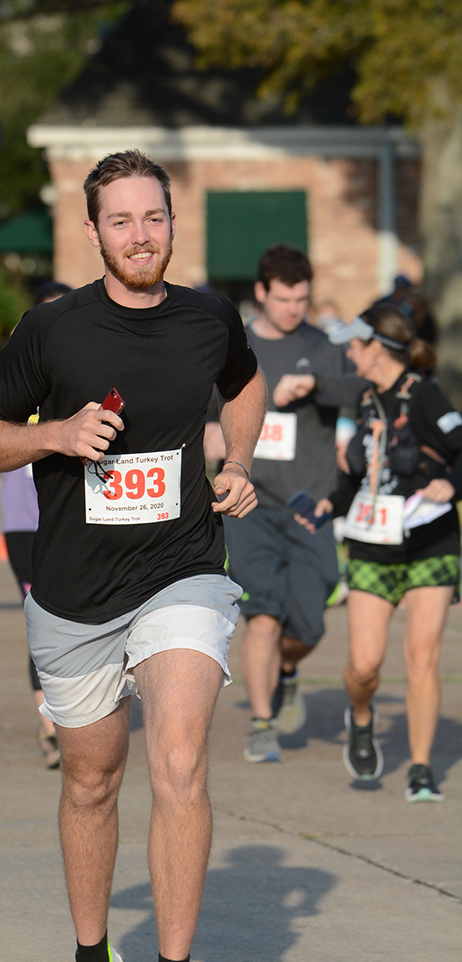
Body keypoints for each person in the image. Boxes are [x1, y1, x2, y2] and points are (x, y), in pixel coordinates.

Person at [0, 150, 266, 962]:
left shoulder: (210, 316)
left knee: (179, 759)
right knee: (92, 778)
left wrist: (237, 464)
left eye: (155, 217)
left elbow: (244, 383)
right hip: (72, 590)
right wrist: (53, 434)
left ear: (175, 222)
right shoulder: (51, 332)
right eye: (122, 221)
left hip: (182, 569)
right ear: (93, 233)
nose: (142, 236)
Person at [210, 245, 365, 764]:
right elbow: (204, 410)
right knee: (264, 614)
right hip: (250, 505)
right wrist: (213, 441)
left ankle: (289, 671)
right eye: (283, 299)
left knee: (310, 621)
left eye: (301, 299)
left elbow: (364, 389)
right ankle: (262, 723)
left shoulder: (324, 347)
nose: (293, 308)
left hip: (310, 506)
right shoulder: (238, 346)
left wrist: (319, 384)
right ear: (261, 293)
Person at [299, 306, 461, 801]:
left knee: (421, 657)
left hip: (430, 545)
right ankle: (363, 717)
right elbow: (358, 478)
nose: (349, 353)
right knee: (365, 666)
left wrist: (448, 485)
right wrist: (330, 502)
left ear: (377, 348)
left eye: (354, 345)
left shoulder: (425, 394)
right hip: (372, 547)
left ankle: (419, 767)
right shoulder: (365, 399)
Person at [0, 282, 72, 769]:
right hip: (25, 522)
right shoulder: (13, 376)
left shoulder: (89, 377)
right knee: (44, 618)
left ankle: (78, 716)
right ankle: (51, 725)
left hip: (77, 516)